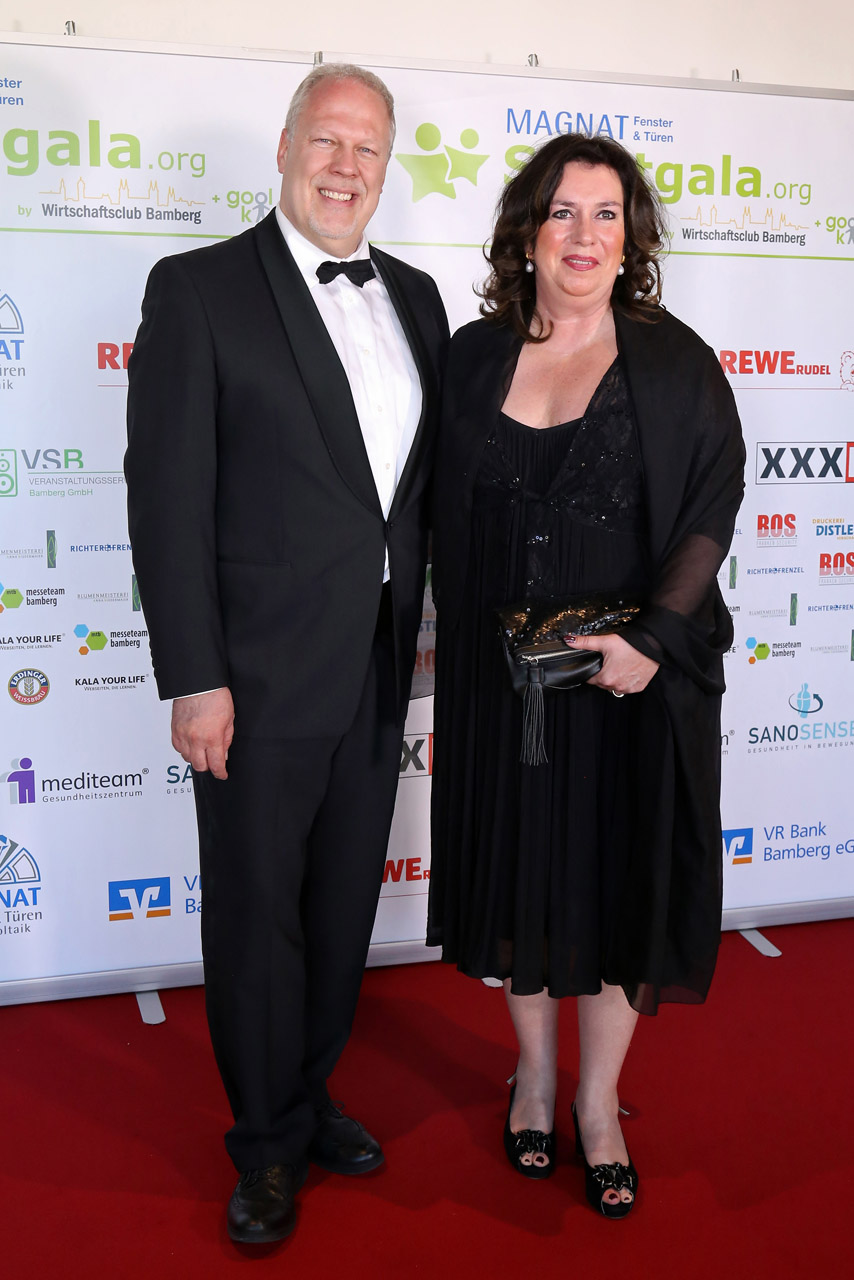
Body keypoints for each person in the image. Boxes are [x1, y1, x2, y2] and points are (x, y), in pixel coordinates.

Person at [125, 63, 448, 1245]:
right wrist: (193, 675)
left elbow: (414, 496)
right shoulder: (199, 289)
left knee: (341, 900)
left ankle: (307, 1096)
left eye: (367, 147)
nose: (345, 166)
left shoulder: (418, 299)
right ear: (283, 147)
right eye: (326, 140)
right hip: (252, 680)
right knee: (257, 911)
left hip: (376, 666)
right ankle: (262, 1141)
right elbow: (166, 499)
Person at [427, 132, 744, 1218]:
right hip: (502, 689)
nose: (583, 234)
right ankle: (533, 1076)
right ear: (527, 232)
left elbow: (710, 505)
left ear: (630, 238)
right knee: (522, 878)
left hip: (625, 686)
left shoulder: (673, 360)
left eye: (606, 214)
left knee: (616, 888)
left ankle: (597, 1101)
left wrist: (651, 640)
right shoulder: (471, 356)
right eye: (562, 211)